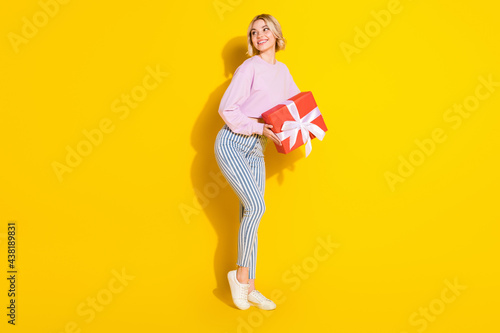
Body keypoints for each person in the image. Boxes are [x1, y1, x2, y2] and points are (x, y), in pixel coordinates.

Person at [214, 13, 301, 310]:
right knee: (257, 206)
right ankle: (239, 276)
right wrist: (258, 127)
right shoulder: (249, 67)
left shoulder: (283, 71)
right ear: (252, 41)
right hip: (233, 143)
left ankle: (250, 286)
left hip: (256, 148)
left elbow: (294, 107)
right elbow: (226, 109)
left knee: (248, 215)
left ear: (277, 35)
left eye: (265, 29)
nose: (259, 34)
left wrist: (306, 129)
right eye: (254, 32)